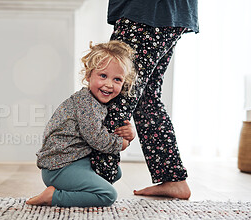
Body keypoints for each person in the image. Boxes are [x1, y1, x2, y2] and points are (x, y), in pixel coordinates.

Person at [90, 0, 199, 199]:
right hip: (165, 13)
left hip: (147, 11)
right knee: (146, 97)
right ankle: (173, 178)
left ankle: (96, 179)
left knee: (117, 91)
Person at [26, 41, 137, 207]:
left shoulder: (99, 103)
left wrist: (130, 132)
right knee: (108, 195)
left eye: (117, 79)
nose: (109, 84)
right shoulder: (86, 103)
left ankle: (80, 190)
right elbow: (97, 138)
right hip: (60, 167)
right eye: (103, 76)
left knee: (114, 172)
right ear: (88, 76)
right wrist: (121, 143)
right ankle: (53, 196)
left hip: (78, 160)